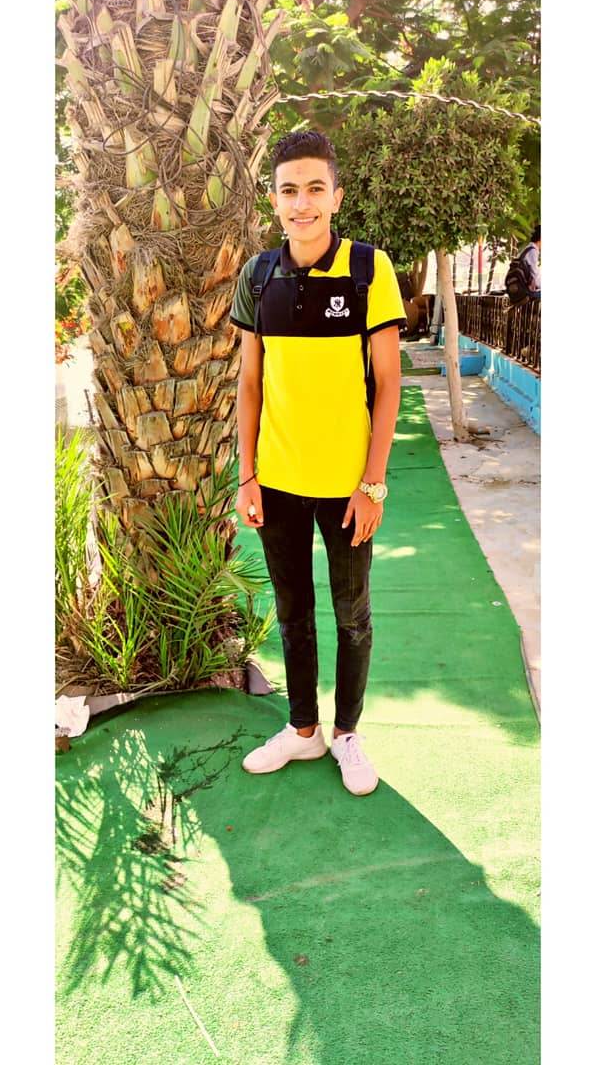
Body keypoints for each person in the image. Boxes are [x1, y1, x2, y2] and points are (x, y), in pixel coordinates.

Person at [229, 130, 407, 796]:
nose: (301, 203)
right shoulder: (258, 277)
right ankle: (302, 730)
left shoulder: (368, 269)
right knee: (293, 610)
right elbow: (251, 383)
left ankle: (348, 734)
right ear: (274, 200)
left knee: (352, 613)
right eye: (288, 191)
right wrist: (247, 475)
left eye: (314, 189)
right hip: (277, 481)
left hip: (346, 487)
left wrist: (372, 484)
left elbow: (387, 384)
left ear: (335, 195)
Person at [519, 223, 541, 299]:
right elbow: (535, 275)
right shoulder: (532, 251)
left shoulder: (528, 248)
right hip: (524, 291)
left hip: (520, 288)